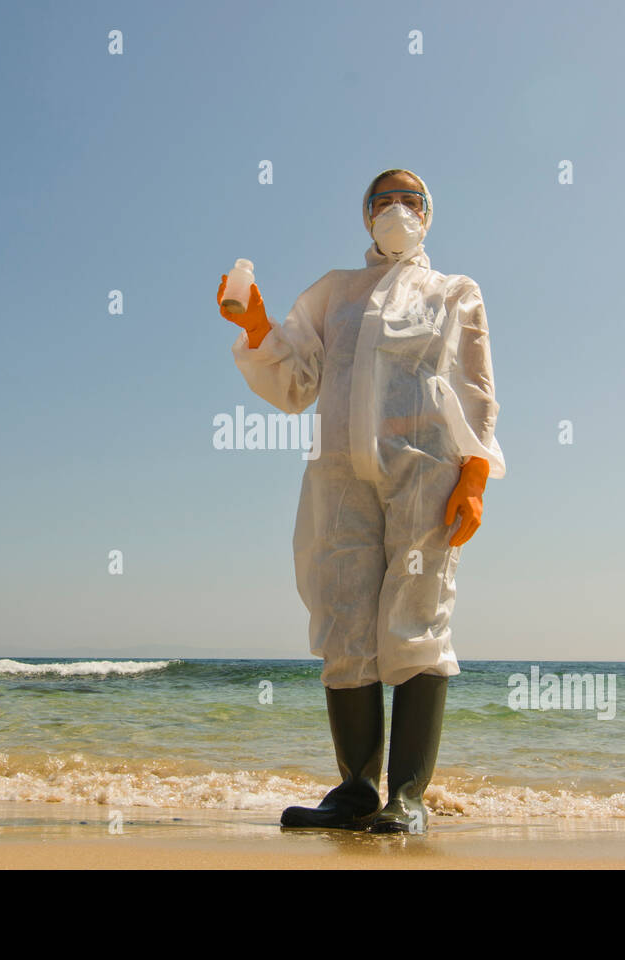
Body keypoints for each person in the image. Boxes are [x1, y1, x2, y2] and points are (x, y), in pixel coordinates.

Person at [217, 169, 506, 833]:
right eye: (383, 199)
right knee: (343, 623)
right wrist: (257, 322)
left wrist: (474, 475)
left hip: (426, 474)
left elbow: (477, 387)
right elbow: (297, 382)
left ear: (428, 213)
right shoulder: (334, 292)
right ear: (365, 215)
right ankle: (354, 790)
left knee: (416, 619)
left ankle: (406, 795)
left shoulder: (455, 292)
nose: (396, 207)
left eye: (410, 198)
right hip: (340, 476)